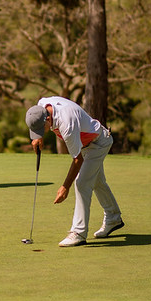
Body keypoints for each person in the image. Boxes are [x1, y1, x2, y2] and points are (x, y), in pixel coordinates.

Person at [25, 97, 124, 247]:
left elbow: (77, 160)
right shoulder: (41, 106)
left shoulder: (67, 123)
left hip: (98, 143)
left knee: (82, 183)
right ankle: (113, 217)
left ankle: (78, 232)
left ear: (48, 119)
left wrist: (65, 187)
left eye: (41, 129)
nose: (41, 132)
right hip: (86, 144)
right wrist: (37, 138)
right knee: (97, 182)